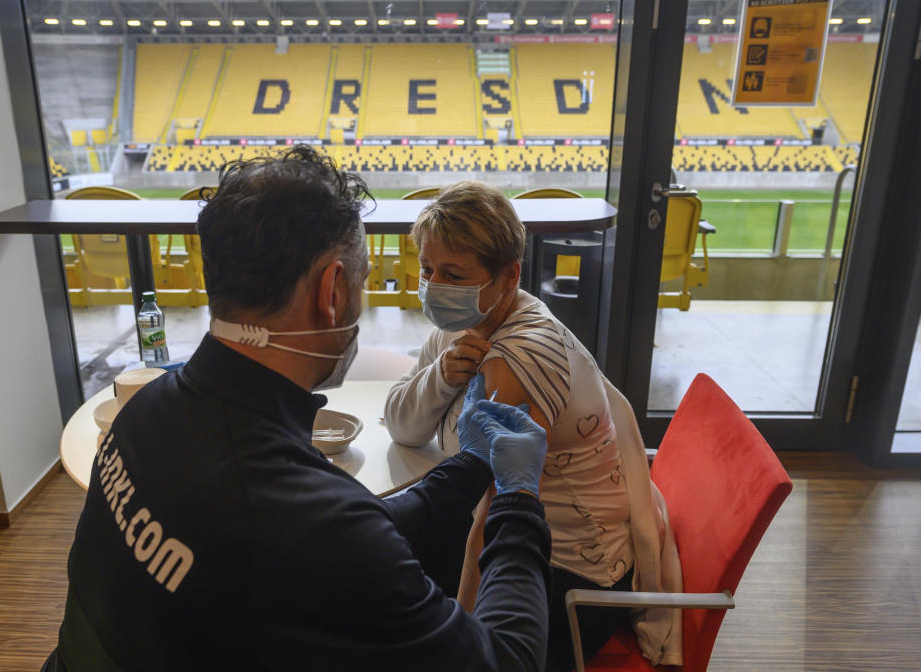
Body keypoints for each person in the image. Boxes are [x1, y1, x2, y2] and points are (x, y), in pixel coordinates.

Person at [43, 147, 553, 672]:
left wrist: (469, 466)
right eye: (362, 280)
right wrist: (517, 504)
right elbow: (508, 662)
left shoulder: (147, 413)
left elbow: (347, 529)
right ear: (332, 291)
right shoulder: (297, 515)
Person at [384, 181, 683, 671]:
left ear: (508, 277)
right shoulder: (465, 324)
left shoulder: (518, 355)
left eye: (453, 273)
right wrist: (440, 377)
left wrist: (465, 644)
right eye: (427, 269)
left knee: (388, 618)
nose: (434, 285)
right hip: (520, 544)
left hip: (565, 578)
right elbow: (402, 423)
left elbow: (493, 514)